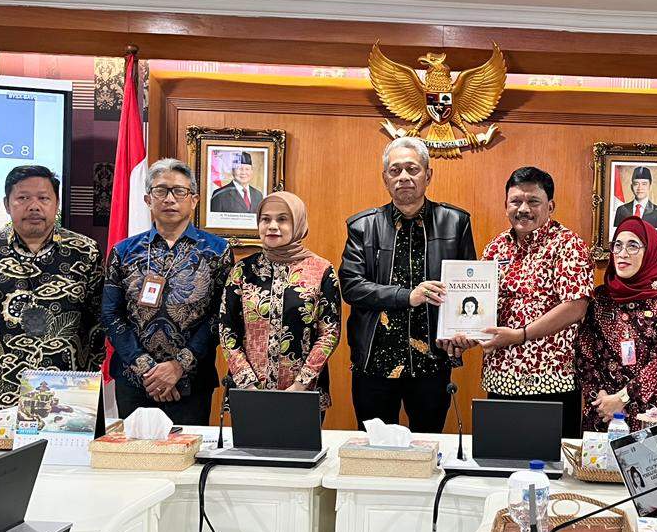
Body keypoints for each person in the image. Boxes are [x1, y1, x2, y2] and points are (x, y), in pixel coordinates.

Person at [0, 165, 104, 424]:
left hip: (68, 392)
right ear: (7, 204)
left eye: (43, 198)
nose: (34, 206)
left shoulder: (85, 252)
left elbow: (98, 320)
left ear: (56, 203)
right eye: (23, 198)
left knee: (66, 452)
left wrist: (91, 377)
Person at [340, 137, 476, 433]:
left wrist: (464, 331)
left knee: (428, 445)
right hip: (375, 361)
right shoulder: (362, 226)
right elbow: (351, 286)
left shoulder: (456, 222)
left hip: (432, 361)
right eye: (395, 170)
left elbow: (468, 288)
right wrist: (407, 296)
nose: (403, 177)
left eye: (412, 169)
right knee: (374, 450)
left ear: (428, 175)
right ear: (385, 178)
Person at [446, 167, 593, 439]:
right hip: (501, 378)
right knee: (498, 460)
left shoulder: (568, 245)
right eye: (516, 201)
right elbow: (481, 306)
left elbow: (576, 306)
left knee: (551, 462)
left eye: (533, 201)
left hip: (551, 382)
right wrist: (466, 335)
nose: (523, 209)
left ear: (550, 206)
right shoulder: (496, 247)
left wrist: (520, 335)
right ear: (506, 205)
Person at [101, 158, 233, 424]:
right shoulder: (124, 252)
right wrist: (147, 368)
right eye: (161, 190)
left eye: (179, 191)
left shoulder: (218, 251)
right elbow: (110, 314)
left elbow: (220, 316)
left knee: (188, 450)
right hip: (134, 380)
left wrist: (178, 366)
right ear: (148, 199)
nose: (170, 199)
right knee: (135, 449)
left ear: (194, 200)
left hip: (191, 383)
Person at [219, 191, 342, 411]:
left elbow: (329, 333)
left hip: (303, 393)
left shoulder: (321, 270)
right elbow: (227, 329)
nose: (272, 226)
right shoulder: (242, 270)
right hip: (249, 392)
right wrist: (248, 384)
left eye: (282, 219)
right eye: (265, 219)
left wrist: (300, 385)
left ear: (298, 223)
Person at [578, 216, 657, 439]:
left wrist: (623, 398)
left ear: (650, 251)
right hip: (603, 412)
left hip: (650, 412)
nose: (623, 253)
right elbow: (584, 353)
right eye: (617, 245)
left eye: (633, 245)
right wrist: (602, 398)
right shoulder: (601, 297)